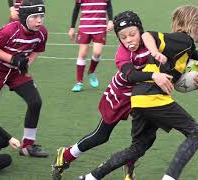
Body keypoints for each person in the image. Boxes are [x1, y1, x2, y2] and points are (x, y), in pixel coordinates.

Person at [78, 5, 198, 180]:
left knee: (138, 147)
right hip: (153, 97)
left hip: (139, 99)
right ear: (197, 26)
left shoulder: (185, 46)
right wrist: (155, 53)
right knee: (197, 134)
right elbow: (147, 35)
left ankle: (91, 177)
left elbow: (179, 79)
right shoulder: (182, 40)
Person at [52, 11, 173, 180]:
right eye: (123, 37)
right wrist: (153, 76)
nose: (129, 40)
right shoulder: (122, 55)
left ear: (141, 31)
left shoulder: (151, 40)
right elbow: (130, 75)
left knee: (147, 137)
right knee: (101, 136)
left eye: (132, 34)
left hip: (144, 94)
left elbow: (180, 46)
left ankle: (129, 162)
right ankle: (66, 154)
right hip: (120, 95)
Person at [0, 0, 48, 157]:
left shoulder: (42, 32)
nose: (39, 20)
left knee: (35, 102)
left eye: (42, 16)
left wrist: (26, 63)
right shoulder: (9, 31)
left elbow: (37, 49)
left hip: (17, 72)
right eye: (35, 16)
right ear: (24, 17)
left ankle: (27, 146)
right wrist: (12, 59)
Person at [69, 0, 114, 92]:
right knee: (82, 54)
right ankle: (79, 82)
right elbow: (76, 9)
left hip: (100, 27)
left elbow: (109, 6)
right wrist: (72, 27)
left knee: (97, 53)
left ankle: (91, 71)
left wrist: (110, 20)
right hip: (85, 27)